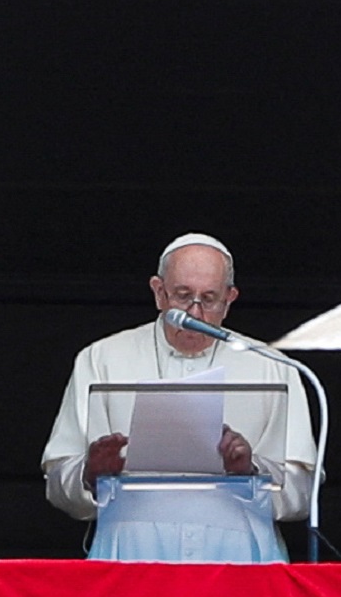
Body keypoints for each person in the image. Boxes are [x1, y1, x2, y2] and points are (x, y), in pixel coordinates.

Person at [41, 233, 318, 562]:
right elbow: (58, 486)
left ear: (230, 299)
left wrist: (250, 469)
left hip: (239, 556)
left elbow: (303, 495)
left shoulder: (273, 366)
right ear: (159, 292)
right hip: (131, 554)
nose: (195, 313)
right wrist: (92, 473)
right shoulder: (101, 358)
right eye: (183, 296)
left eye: (209, 299)